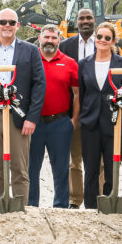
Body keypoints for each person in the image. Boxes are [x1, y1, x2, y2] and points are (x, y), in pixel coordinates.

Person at [0, 9, 46, 206]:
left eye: (11, 22)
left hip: (18, 118)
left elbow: (39, 84)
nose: (7, 26)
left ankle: (20, 209)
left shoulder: (29, 50)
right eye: (3, 22)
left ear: (17, 26)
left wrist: (32, 117)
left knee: (19, 168)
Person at [77, 22, 122, 209]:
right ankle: (91, 207)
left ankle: (110, 204)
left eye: (107, 38)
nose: (102, 40)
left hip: (114, 123)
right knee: (91, 169)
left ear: (113, 41)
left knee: (112, 168)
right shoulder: (84, 64)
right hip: (90, 123)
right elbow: (83, 93)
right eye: (99, 37)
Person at [28, 25, 79, 208]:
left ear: (59, 39)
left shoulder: (69, 63)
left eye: (53, 37)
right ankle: (31, 205)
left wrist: (73, 120)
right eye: (46, 37)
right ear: (40, 38)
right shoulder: (31, 60)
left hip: (60, 123)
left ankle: (60, 206)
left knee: (61, 169)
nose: (50, 40)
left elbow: (77, 93)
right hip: (34, 124)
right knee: (31, 169)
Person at [59, 8, 96, 208]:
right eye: (81, 18)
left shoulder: (104, 42)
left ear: (94, 20)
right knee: (75, 160)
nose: (85, 21)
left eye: (89, 18)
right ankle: (75, 199)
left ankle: (98, 198)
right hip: (71, 110)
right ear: (76, 21)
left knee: (97, 160)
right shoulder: (65, 45)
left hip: (96, 110)